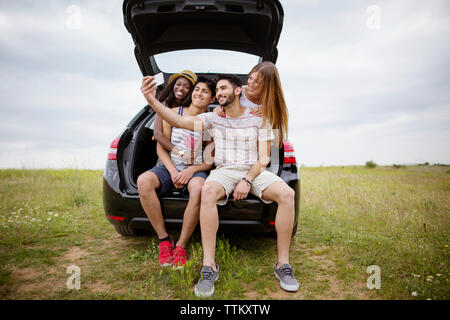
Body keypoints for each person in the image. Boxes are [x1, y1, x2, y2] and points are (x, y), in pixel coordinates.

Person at [140, 73, 298, 297]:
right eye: (218, 90)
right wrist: (152, 100)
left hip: (252, 170)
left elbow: (264, 158)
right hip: (223, 170)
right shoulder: (212, 118)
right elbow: (179, 121)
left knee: (287, 194)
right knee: (208, 191)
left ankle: (283, 265)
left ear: (238, 91)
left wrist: (246, 180)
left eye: (224, 88)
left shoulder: (260, 118)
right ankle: (209, 266)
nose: (220, 93)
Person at [137, 76, 216, 269]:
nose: (199, 93)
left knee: (199, 189)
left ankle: (181, 245)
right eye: (197, 89)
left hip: (194, 170)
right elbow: (161, 148)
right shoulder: (173, 112)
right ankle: (164, 239)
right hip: (168, 167)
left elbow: (209, 160)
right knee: (143, 181)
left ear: (212, 99)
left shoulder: (209, 123)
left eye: (205, 91)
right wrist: (173, 172)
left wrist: (190, 171)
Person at [214, 61, 289, 148]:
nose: (251, 83)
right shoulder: (238, 92)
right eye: (250, 78)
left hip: (259, 148)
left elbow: (275, 139)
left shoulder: (272, 106)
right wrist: (218, 109)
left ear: (268, 86)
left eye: (257, 82)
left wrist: (267, 113)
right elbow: (221, 108)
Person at [154, 70, 198, 163]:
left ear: (191, 91)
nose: (181, 88)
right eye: (178, 84)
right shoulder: (164, 105)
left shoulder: (193, 108)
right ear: (173, 85)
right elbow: (158, 135)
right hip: (166, 156)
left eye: (186, 87)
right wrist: (180, 153)